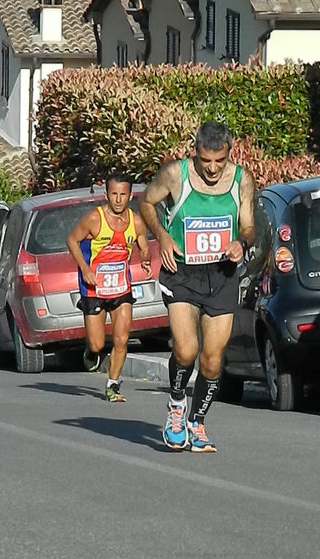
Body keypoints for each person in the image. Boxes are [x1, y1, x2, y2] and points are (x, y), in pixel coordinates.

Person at [139, 121, 255, 452]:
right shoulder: (176, 174)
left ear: (229, 153)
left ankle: (197, 422)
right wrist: (161, 237)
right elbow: (146, 202)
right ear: (197, 152)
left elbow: (248, 227)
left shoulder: (241, 180)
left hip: (222, 274)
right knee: (186, 349)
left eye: (220, 160)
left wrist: (240, 243)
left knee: (213, 358)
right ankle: (176, 405)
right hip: (183, 272)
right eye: (206, 161)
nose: (213, 169)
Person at [67, 173, 152, 402]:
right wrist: (85, 269)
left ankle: (113, 385)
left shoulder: (136, 221)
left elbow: (143, 244)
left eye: (123, 194)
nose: (118, 199)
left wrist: (145, 258)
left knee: (121, 339)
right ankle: (90, 351)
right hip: (94, 287)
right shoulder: (95, 219)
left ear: (130, 195)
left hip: (121, 287)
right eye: (114, 194)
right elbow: (72, 240)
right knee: (97, 343)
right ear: (107, 195)